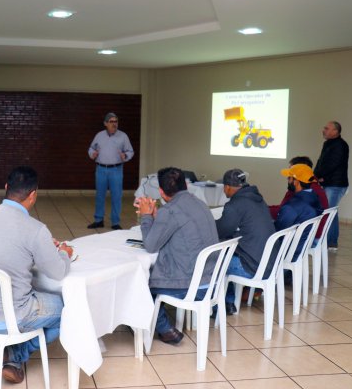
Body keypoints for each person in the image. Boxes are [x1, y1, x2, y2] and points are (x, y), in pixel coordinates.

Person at [0, 166, 72, 384]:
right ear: (33, 195)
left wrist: (38, 249)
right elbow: (58, 272)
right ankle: (17, 355)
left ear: (6, 187)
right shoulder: (35, 229)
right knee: (70, 308)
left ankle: (11, 355)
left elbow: (6, 250)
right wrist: (62, 252)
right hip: (12, 316)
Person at [135, 167, 219, 345]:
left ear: (161, 192)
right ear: (186, 186)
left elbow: (150, 245)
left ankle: (165, 329)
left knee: (139, 284)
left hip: (191, 284)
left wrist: (145, 216)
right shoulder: (199, 203)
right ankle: (163, 326)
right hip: (212, 279)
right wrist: (156, 217)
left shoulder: (171, 211)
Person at [214, 169, 276, 311]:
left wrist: (210, 223)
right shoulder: (257, 199)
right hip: (270, 263)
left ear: (227, 187)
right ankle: (228, 301)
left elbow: (222, 231)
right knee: (227, 254)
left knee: (214, 261)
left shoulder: (235, 204)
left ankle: (223, 305)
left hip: (253, 267)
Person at [87, 112, 134, 230]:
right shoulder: (99, 135)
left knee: (116, 196)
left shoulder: (123, 136)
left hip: (116, 170)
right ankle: (98, 220)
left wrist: (125, 156)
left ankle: (115, 222)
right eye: (111, 122)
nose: (114, 124)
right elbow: (91, 148)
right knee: (100, 195)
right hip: (101, 169)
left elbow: (130, 151)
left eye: (116, 122)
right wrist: (93, 153)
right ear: (105, 123)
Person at [269, 156, 329, 243]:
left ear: (296, 181)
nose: (287, 179)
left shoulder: (295, 204)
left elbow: (281, 226)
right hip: (311, 234)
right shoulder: (312, 193)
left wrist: (264, 210)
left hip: (302, 240)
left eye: (290, 176)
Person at [275, 163, 323, 259]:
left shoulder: (292, 207)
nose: (287, 180)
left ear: (296, 181)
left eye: (289, 178)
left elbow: (278, 232)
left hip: (286, 254)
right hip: (300, 248)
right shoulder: (314, 199)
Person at [314, 121, 349, 250]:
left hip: (335, 184)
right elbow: (321, 161)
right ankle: (330, 241)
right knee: (330, 211)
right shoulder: (328, 144)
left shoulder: (340, 145)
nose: (323, 130)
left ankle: (330, 242)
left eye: (327, 128)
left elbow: (333, 164)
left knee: (329, 212)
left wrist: (321, 176)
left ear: (335, 131)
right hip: (329, 182)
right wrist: (315, 175)